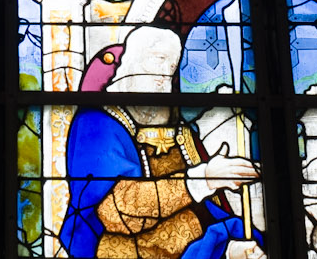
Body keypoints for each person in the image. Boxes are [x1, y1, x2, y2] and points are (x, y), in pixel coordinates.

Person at [59, 27, 263, 259]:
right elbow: (117, 212)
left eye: (171, 67)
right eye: (158, 61)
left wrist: (228, 249)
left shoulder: (180, 132)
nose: (164, 75)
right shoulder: (97, 123)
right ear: (134, 61)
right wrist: (202, 179)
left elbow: (205, 214)